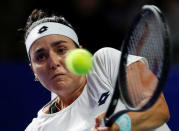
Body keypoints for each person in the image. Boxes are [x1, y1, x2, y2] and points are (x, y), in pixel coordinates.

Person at [24, 9, 170, 131]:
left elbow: (158, 110)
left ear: (79, 51)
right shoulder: (38, 128)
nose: (53, 62)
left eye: (61, 50)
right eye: (41, 57)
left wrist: (121, 124)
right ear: (34, 71)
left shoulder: (105, 62)